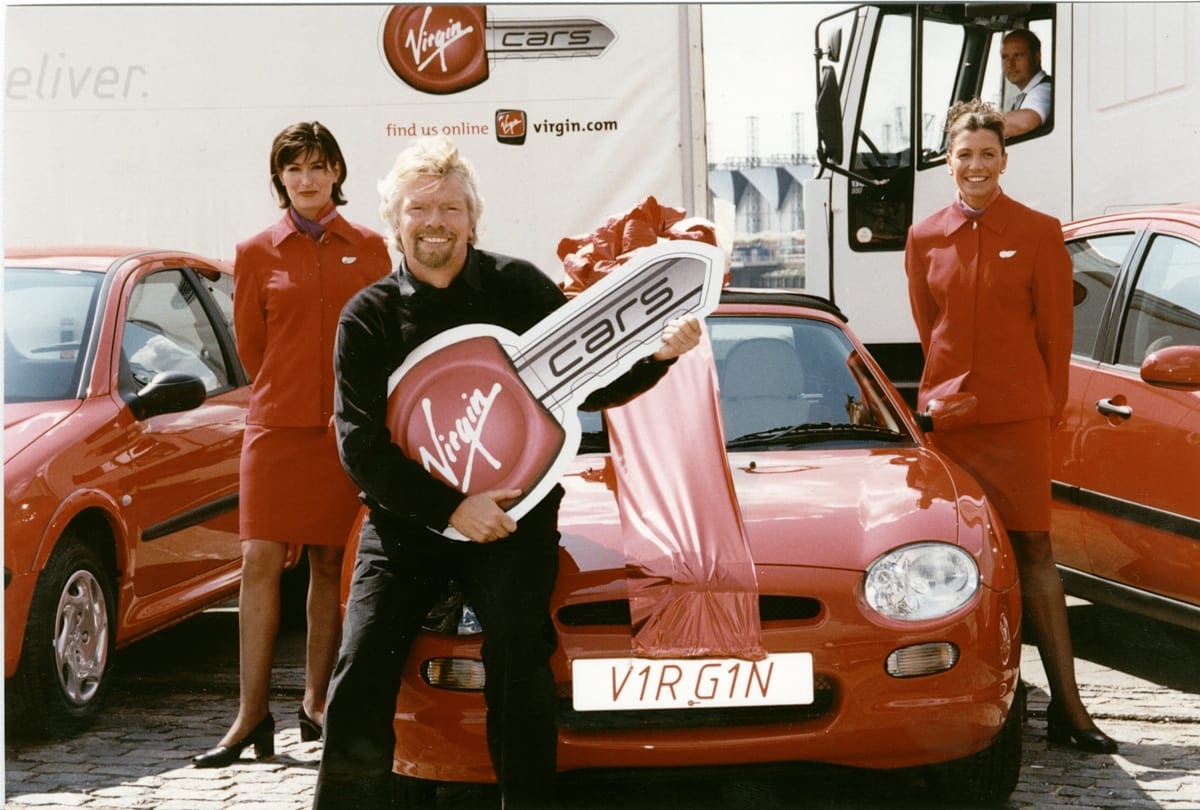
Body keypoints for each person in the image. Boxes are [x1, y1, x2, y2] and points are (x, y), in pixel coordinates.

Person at [312, 136, 702, 808]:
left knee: (520, 661)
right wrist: (451, 509)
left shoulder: (517, 287)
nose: (435, 220)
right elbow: (361, 445)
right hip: (409, 526)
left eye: (450, 208)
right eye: (419, 208)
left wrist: (659, 356)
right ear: (395, 219)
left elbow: (585, 381)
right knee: (361, 669)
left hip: (515, 521)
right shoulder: (368, 317)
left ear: (473, 218)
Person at [904, 99, 1116, 755]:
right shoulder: (924, 237)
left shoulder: (1040, 230)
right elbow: (926, 324)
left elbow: (1057, 333)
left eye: (988, 154)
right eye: (964, 154)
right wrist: (939, 399)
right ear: (949, 161)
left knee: (1035, 554)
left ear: (1004, 160)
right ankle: (980, 706)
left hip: (1019, 422)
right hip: (951, 425)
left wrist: (1045, 416)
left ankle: (1070, 711)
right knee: (958, 561)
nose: (976, 165)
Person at [193, 121, 392, 767]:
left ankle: (316, 704)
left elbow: (383, 342)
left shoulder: (371, 248)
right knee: (258, 561)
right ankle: (251, 715)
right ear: (278, 177)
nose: (306, 179)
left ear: (337, 171)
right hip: (276, 428)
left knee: (331, 566)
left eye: (317, 166)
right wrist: (289, 390)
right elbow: (252, 347)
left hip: (345, 429)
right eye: (293, 168)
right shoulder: (255, 251)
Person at [1001, 29, 1052, 138]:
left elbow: (1024, 123)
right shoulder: (1025, 95)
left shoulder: (1046, 89)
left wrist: (970, 124)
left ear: (1037, 57)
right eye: (1005, 57)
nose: (1010, 64)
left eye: (1018, 56)